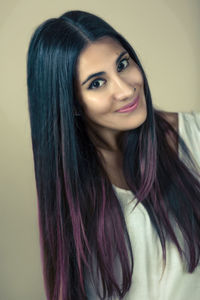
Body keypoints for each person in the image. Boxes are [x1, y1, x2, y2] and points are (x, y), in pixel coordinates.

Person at [26, 10, 200, 300]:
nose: (125, 89)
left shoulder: (193, 136)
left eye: (122, 64)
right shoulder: (69, 190)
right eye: (97, 83)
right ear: (71, 104)